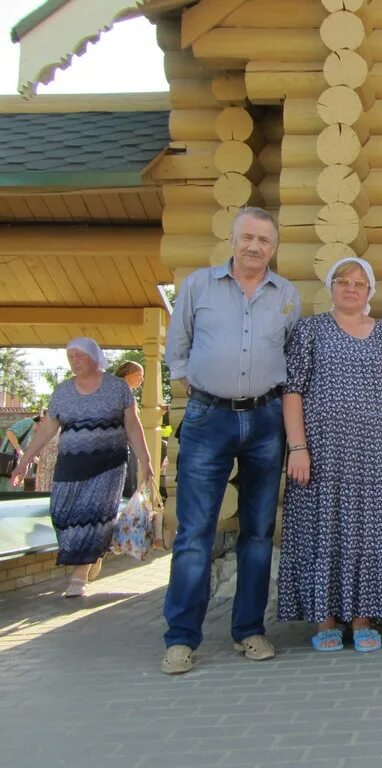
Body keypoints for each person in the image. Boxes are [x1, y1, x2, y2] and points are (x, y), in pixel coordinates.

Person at [162, 206, 301, 675]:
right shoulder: (199, 286)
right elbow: (176, 349)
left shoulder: (288, 296)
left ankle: (249, 630)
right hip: (209, 418)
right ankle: (181, 638)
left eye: (264, 240)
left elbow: (289, 358)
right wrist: (196, 387)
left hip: (265, 419)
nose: (255, 247)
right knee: (195, 533)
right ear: (233, 239)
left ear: (274, 247)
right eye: (248, 238)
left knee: (259, 532)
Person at [277, 257, 382, 653]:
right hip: (320, 452)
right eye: (343, 281)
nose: (351, 288)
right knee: (323, 529)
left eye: (359, 283)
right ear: (331, 286)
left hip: (373, 456)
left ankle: (363, 618)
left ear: (369, 291)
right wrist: (298, 447)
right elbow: (292, 390)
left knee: (370, 534)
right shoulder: (310, 330)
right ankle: (325, 619)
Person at [9, 338, 153, 597]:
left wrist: (146, 460)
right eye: (70, 356)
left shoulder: (117, 388)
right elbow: (48, 429)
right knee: (62, 513)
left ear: (94, 357)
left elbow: (132, 425)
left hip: (108, 466)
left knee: (94, 515)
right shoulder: (62, 391)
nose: (73, 361)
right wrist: (25, 461)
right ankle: (93, 553)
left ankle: (79, 577)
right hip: (70, 465)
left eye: (79, 355)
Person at [114, 360, 145, 499]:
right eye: (139, 374)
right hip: (122, 444)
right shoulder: (124, 393)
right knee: (127, 483)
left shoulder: (114, 390)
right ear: (128, 375)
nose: (142, 379)